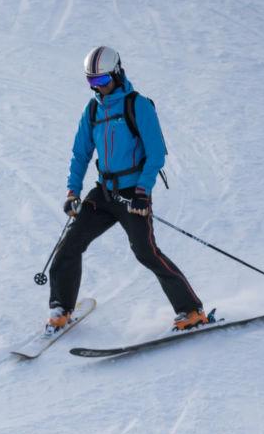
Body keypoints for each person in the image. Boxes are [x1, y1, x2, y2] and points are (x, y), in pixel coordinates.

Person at [47, 47, 208, 335]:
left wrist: (143, 192)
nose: (97, 87)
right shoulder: (93, 110)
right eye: (90, 81)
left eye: (101, 80)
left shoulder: (137, 105)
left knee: (146, 252)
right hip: (104, 193)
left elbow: (156, 153)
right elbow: (80, 153)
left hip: (133, 194)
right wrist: (73, 192)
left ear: (118, 73)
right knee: (69, 246)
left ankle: (192, 309)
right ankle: (61, 308)